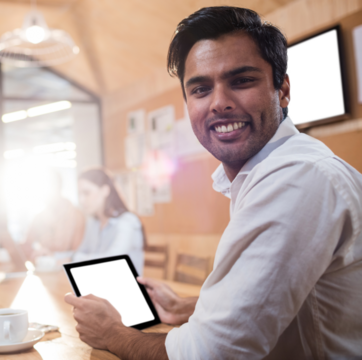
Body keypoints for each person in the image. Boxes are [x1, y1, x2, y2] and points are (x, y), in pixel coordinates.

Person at [64, 6, 362, 360]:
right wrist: (188, 307)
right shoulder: (274, 171)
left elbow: (211, 354)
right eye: (201, 89)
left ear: (282, 91)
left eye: (241, 81)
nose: (219, 103)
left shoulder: (297, 179)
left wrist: (112, 332)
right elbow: (272, 297)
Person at [72, 168, 145, 275]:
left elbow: (112, 262)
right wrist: (55, 257)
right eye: (79, 194)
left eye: (86, 193)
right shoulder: (93, 223)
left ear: (105, 190)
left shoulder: (128, 221)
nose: (81, 200)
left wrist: (74, 258)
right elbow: (80, 252)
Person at [22, 170, 85, 261]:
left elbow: (77, 253)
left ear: (58, 188)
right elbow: (26, 245)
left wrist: (52, 256)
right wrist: (38, 254)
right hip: (45, 268)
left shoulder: (76, 215)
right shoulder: (39, 217)